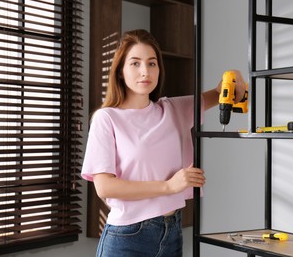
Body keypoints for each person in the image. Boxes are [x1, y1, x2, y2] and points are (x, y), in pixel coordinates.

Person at [81, 29, 246, 257]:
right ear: (120, 71)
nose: (144, 72)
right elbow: (105, 187)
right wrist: (169, 186)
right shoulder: (106, 118)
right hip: (127, 237)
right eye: (135, 63)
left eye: (151, 64)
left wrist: (234, 74)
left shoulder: (174, 110)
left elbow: (221, 92)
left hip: (171, 233)